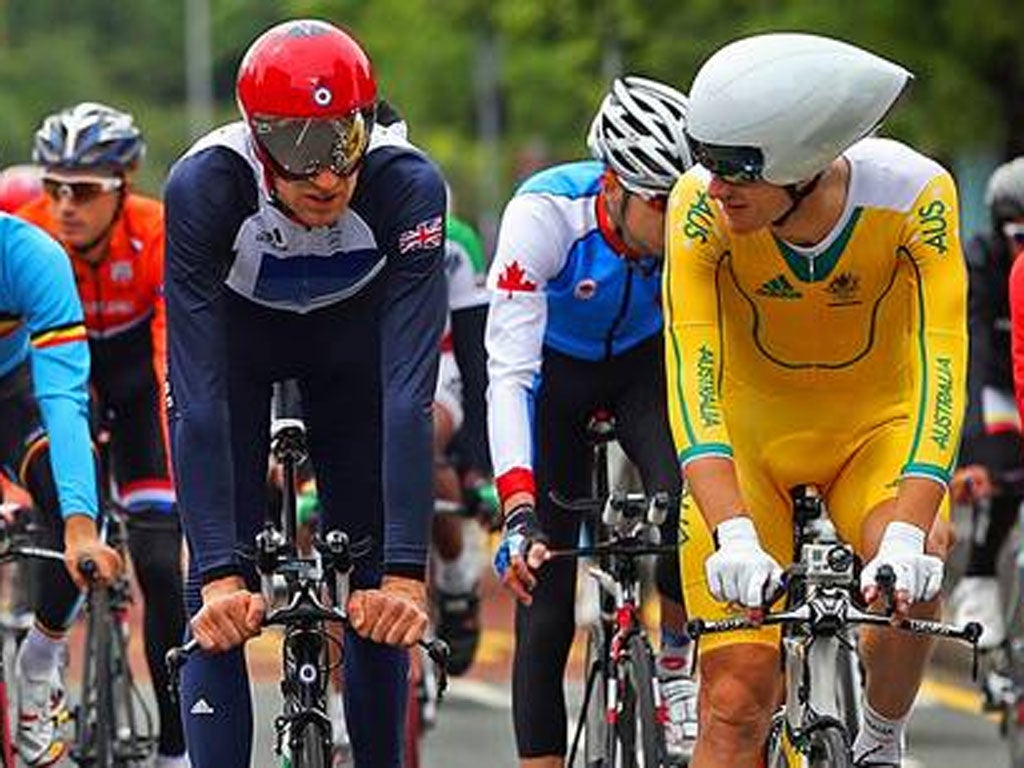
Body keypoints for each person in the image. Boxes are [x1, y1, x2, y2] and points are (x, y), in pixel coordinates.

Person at [665, 33, 966, 768]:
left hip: (879, 432)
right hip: (748, 444)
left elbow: (943, 365)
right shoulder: (697, 210)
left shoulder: (914, 196)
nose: (713, 184)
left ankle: (879, 741)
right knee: (735, 703)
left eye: (735, 166)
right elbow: (690, 368)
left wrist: (906, 532)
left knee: (917, 560)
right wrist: (732, 530)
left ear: (802, 159)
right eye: (703, 157)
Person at [163, 19, 446, 768]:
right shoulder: (206, 184)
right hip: (236, 349)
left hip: (351, 355)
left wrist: (406, 577)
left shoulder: (408, 183)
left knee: (377, 583)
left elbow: (408, 392)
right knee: (215, 597)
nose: (327, 177)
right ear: (259, 142)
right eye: (299, 152)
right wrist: (221, 572)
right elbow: (197, 392)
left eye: (344, 144)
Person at [488, 76, 697, 766]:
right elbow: (510, 373)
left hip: (644, 368)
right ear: (614, 184)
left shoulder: (697, 225)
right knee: (544, 602)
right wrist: (517, 508)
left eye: (684, 201)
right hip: (557, 376)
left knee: (687, 508)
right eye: (661, 204)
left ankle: (675, 661)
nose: (679, 222)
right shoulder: (544, 216)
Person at [16, 101, 188, 767]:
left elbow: (173, 350)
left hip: (138, 384)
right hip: (63, 387)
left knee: (157, 566)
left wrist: (183, 443)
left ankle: (177, 749)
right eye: (53, 186)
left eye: (84, 190)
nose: (65, 205)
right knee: (56, 532)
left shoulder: (157, 231)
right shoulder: (29, 237)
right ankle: (44, 659)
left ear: (125, 183)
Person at [0, 210, 122, 766]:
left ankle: (38, 664)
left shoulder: (31, 256)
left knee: (80, 500)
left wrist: (78, 528)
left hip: (17, 393)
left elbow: (64, 401)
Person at [950, 157, 1024, 651]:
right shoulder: (978, 261)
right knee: (1004, 470)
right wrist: (974, 458)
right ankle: (979, 576)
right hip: (996, 379)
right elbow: (972, 350)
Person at [431, 207, 494, 676]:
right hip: (361, 365)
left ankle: (454, 580)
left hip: (438, 364)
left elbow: (476, 360)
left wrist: (480, 465)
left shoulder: (453, 239)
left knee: (421, 436)